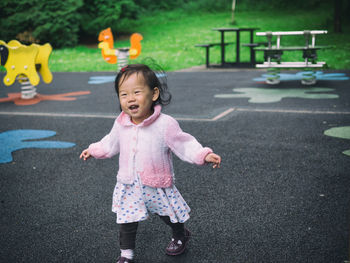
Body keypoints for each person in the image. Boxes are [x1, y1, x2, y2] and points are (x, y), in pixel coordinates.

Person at [80, 63, 221, 263]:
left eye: (137, 92)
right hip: (129, 184)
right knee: (127, 220)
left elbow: (184, 143)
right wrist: (93, 150)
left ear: (154, 94)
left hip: (156, 182)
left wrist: (203, 154)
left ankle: (180, 234)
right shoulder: (121, 124)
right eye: (124, 94)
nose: (130, 99)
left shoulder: (165, 124)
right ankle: (126, 255)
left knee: (168, 215)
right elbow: (109, 143)